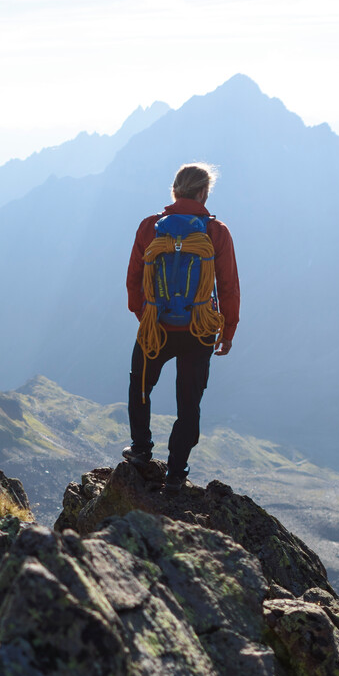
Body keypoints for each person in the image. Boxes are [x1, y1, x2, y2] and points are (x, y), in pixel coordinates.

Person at [123, 163, 241, 493]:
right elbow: (229, 286)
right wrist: (227, 331)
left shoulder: (150, 227)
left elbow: (134, 279)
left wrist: (146, 317)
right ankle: (176, 473)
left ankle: (142, 450)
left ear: (174, 190)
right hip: (199, 330)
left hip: (155, 328)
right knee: (189, 402)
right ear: (204, 193)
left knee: (140, 386)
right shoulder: (217, 233)